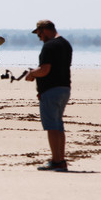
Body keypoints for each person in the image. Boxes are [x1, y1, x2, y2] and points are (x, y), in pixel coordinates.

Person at [25, 20, 72, 171]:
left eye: (39, 34)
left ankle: (56, 160)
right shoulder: (65, 44)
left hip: (52, 91)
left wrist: (32, 74)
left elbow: (45, 69)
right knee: (58, 125)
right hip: (64, 88)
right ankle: (60, 159)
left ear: (44, 30)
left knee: (52, 127)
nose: (39, 37)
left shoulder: (50, 46)